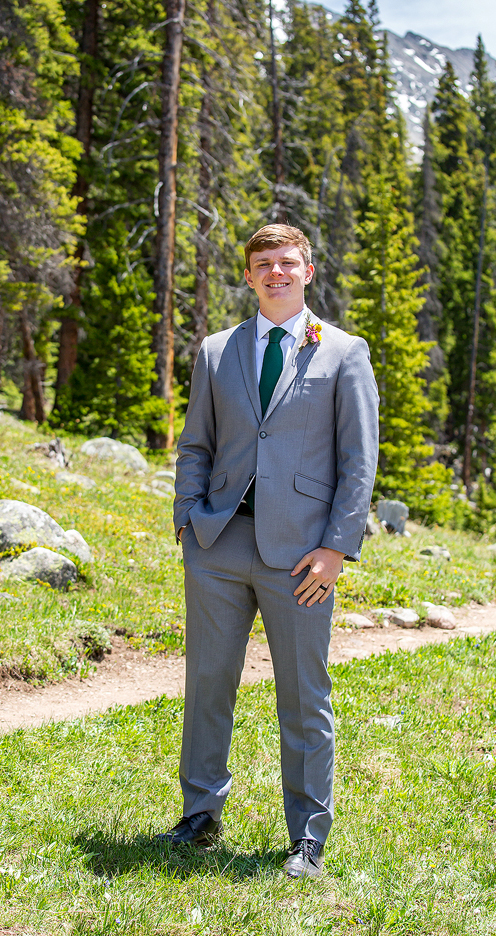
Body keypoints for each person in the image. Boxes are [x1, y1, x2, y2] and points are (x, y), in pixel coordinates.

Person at [157, 223, 378, 878]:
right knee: (206, 683)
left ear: (308, 271)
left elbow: (357, 461)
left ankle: (306, 837)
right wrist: (185, 523)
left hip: (302, 557)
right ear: (248, 276)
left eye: (287, 262)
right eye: (262, 264)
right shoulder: (215, 350)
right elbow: (195, 443)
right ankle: (200, 814)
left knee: (303, 694)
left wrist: (337, 549)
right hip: (219, 542)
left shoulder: (342, 352)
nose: (275, 273)